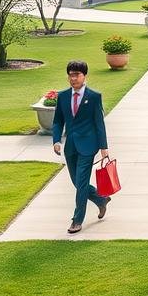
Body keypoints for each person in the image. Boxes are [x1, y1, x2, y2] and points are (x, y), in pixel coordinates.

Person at [51, 60, 112, 233]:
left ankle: (77, 220)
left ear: (84, 76)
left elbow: (99, 123)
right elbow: (57, 121)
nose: (73, 78)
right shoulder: (62, 96)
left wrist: (103, 147)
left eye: (77, 74)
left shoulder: (94, 97)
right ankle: (101, 200)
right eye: (71, 75)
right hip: (70, 147)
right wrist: (56, 140)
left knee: (82, 182)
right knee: (78, 183)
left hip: (88, 146)